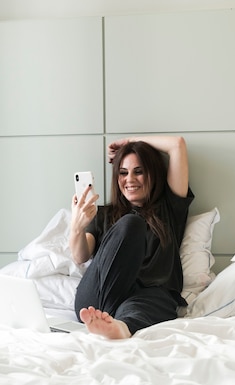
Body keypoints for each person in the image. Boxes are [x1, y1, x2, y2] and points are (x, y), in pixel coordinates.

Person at [69, 135, 194, 339]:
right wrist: (77, 227)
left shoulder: (169, 209)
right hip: (98, 294)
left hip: (146, 295)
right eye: (123, 173)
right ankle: (110, 319)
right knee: (130, 223)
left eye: (139, 172)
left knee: (139, 308)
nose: (129, 180)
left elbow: (177, 145)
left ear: (153, 174)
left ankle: (119, 327)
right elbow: (80, 257)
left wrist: (128, 142)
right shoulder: (103, 214)